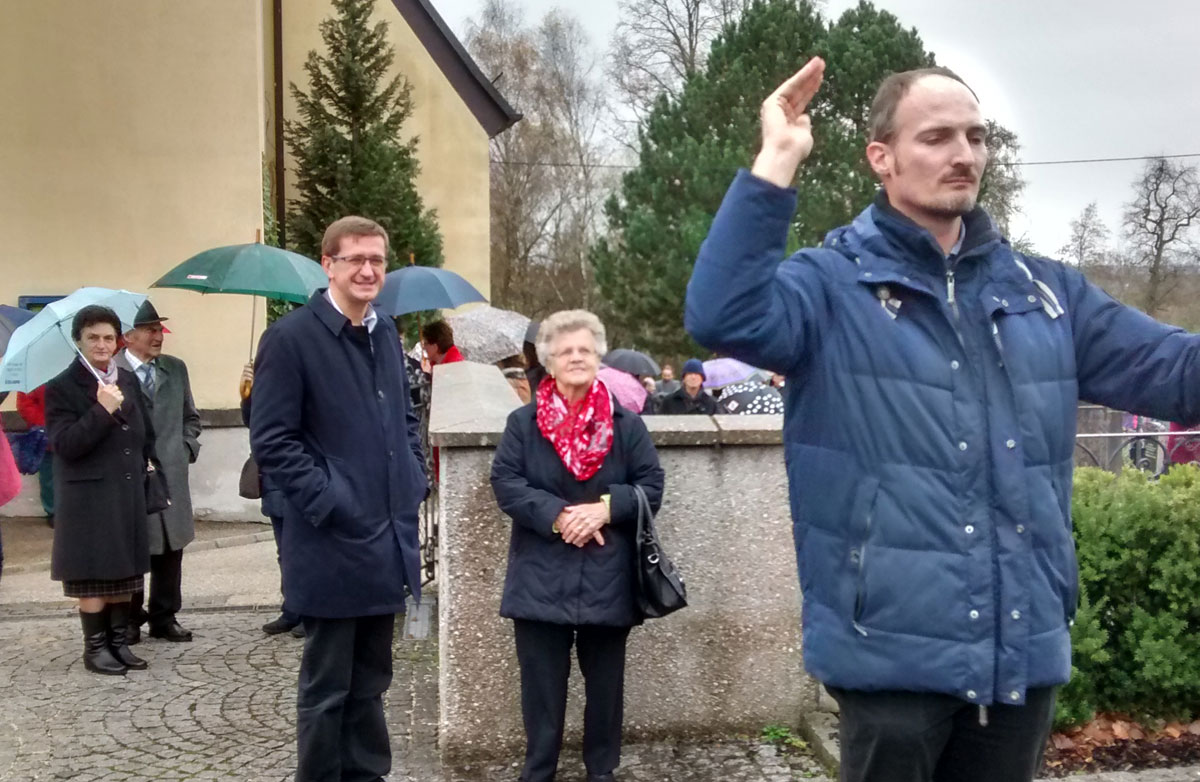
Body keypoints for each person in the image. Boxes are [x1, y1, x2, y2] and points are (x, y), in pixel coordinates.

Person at [685, 57, 1200, 782]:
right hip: (889, 657)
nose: (963, 154)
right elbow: (721, 314)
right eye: (936, 138)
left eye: (976, 136)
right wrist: (777, 161)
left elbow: (1178, 374)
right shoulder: (830, 285)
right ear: (881, 157)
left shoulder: (1045, 293)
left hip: (1018, 655)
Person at [250, 215, 427, 781]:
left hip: (387, 537)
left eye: (377, 259)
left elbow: (402, 420)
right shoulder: (291, 338)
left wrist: (413, 478)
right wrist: (332, 499)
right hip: (330, 539)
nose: (368, 269)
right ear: (329, 265)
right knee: (328, 687)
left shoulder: (386, 333)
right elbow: (273, 441)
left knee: (373, 682)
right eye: (355, 259)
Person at [490, 309, 665, 782]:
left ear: (599, 357)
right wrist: (560, 515)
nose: (576, 357)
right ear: (547, 360)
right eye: (565, 350)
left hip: (608, 573)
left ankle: (601, 770)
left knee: (606, 688)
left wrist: (606, 509)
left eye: (585, 350)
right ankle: (539, 769)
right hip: (539, 575)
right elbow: (506, 482)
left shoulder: (625, 425)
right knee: (542, 689)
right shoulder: (522, 424)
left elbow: (652, 484)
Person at [46, 305, 155, 676]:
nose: (102, 344)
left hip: (125, 491)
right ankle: (95, 650)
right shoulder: (62, 386)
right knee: (93, 576)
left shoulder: (126, 380)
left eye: (109, 337)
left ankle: (118, 643)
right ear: (79, 340)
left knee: (123, 574)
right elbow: (66, 444)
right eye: (93, 337)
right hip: (87, 497)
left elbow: (143, 431)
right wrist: (102, 409)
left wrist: (147, 459)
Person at [114, 300, 200, 644]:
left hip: (172, 473)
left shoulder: (175, 369)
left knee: (171, 545)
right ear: (128, 336)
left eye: (158, 329)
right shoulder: (112, 372)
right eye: (149, 329)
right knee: (136, 546)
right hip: (132, 474)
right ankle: (131, 618)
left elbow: (190, 417)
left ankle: (165, 617)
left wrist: (186, 448)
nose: (158, 335)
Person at [240, 362, 305, 639]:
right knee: (285, 552)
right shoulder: (265, 379)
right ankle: (292, 609)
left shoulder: (302, 377)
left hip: (300, 475)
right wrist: (247, 394)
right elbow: (253, 421)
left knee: (303, 550)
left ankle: (310, 611)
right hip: (274, 479)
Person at [15, 386, 54, 526]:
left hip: (76, 432)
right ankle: (53, 511)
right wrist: (45, 423)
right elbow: (25, 404)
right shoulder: (35, 379)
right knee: (49, 476)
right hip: (46, 436)